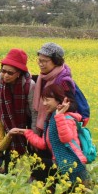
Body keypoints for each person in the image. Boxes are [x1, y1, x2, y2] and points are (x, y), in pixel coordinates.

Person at [18, 83, 89, 189]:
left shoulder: (66, 118)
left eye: (47, 100)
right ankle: (49, 189)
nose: (44, 103)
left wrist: (59, 116)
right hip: (60, 161)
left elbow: (66, 138)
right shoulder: (51, 118)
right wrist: (27, 133)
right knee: (37, 163)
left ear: (58, 100)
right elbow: (43, 144)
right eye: (43, 100)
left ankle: (56, 189)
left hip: (73, 163)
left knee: (40, 165)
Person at [31, 42, 79, 183]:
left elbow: (73, 104)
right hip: (46, 124)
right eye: (39, 60)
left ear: (56, 61)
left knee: (55, 162)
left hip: (58, 127)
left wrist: (60, 109)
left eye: (45, 61)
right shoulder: (42, 77)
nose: (41, 64)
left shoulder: (63, 80)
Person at [0, 48, 37, 160]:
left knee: (32, 146)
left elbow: (33, 111)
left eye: (10, 73)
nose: (5, 75)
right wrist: (9, 132)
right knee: (9, 146)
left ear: (19, 73)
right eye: (3, 71)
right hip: (6, 118)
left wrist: (34, 137)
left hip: (25, 117)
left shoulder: (29, 85)